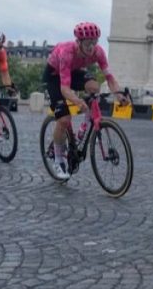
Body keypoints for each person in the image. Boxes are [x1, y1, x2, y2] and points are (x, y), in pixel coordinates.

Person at [44, 22, 129, 180]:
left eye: (94, 42)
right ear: (79, 42)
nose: (91, 47)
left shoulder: (98, 52)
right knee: (64, 119)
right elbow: (64, 89)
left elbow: (109, 78)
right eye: (88, 43)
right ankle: (58, 159)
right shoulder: (66, 52)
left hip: (74, 71)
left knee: (94, 86)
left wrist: (119, 94)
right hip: (54, 76)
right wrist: (78, 101)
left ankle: (85, 124)